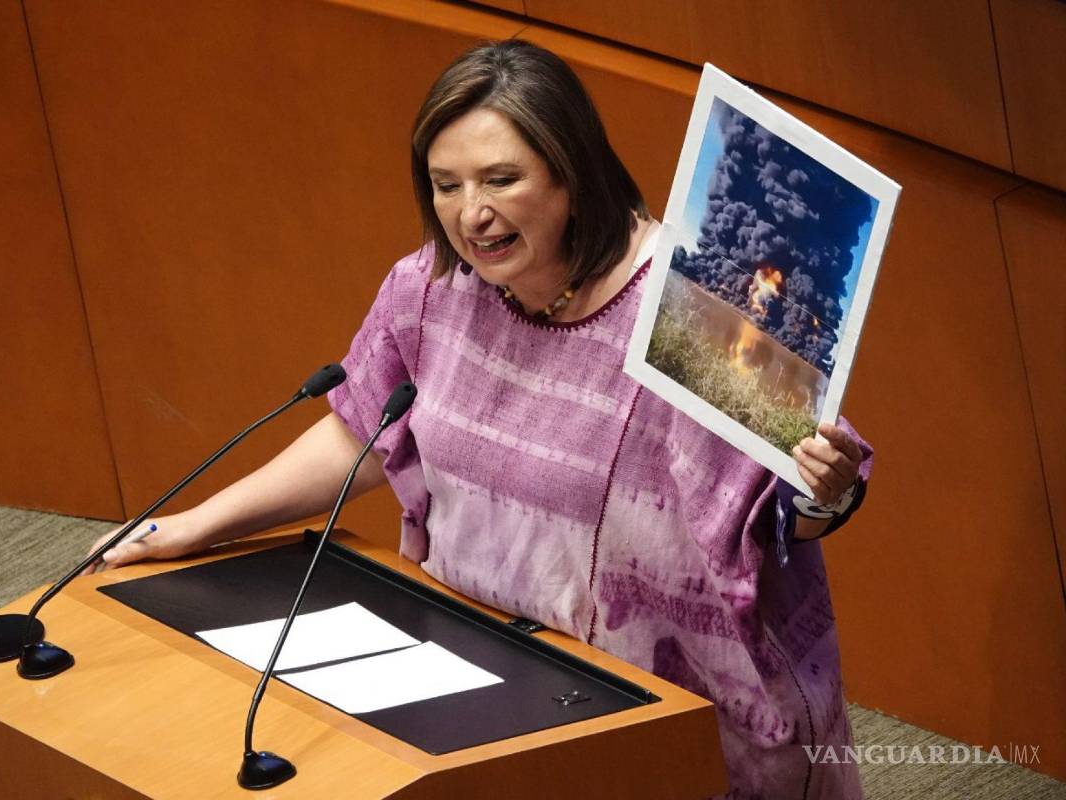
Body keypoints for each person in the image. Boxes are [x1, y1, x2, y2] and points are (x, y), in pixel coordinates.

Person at [89, 40, 870, 799]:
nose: (473, 214)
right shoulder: (429, 290)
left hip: (673, 721)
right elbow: (361, 431)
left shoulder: (692, 311)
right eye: (447, 184)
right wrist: (192, 526)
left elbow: (774, 517)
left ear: (573, 173)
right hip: (493, 696)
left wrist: (819, 493)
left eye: (501, 178)